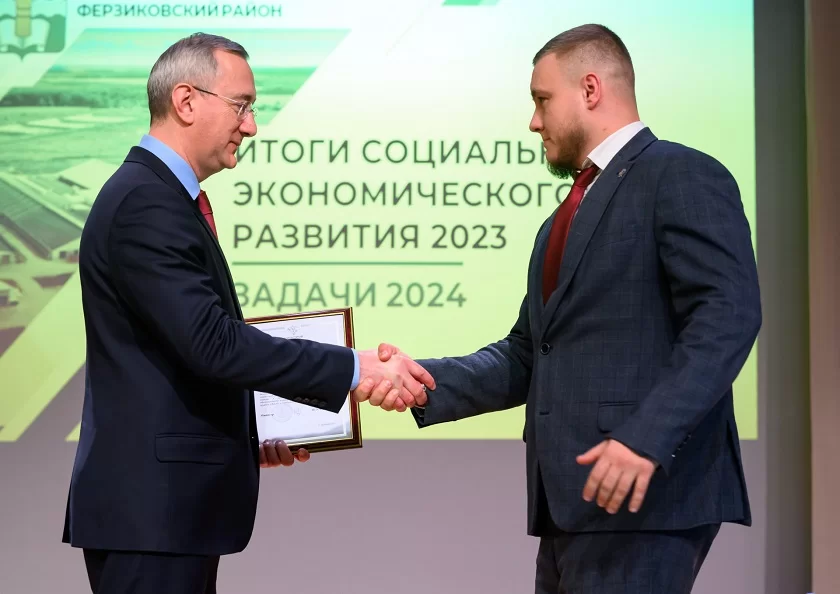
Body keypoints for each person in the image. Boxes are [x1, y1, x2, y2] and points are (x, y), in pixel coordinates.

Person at [361, 23, 762, 593]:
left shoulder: (681, 174)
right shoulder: (563, 216)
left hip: (644, 497)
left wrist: (646, 438)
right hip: (571, 503)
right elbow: (530, 352)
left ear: (590, 89)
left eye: (542, 99)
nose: (534, 121)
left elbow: (728, 315)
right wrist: (423, 381)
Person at [62, 32, 434, 594]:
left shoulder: (158, 196)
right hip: (151, 517)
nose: (252, 126)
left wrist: (243, 433)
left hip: (164, 513)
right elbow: (212, 344)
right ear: (186, 101)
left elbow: (178, 353)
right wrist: (355, 368)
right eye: (242, 106)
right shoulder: (146, 202)